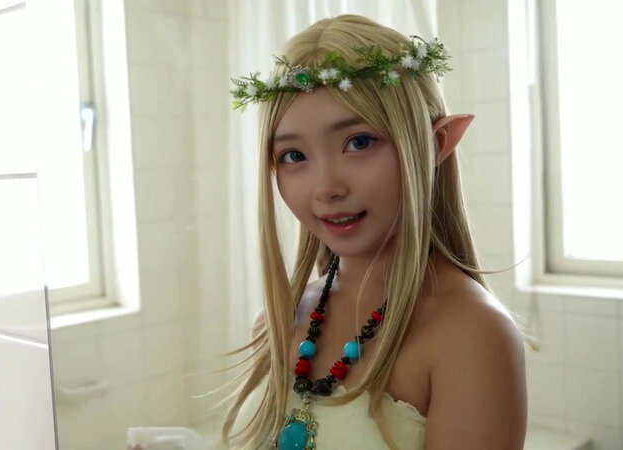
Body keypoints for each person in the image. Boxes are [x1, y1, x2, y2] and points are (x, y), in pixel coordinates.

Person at [218, 14, 528, 449]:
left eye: (359, 142)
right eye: (294, 155)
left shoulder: (472, 335)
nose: (327, 188)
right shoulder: (278, 317)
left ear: (436, 144)